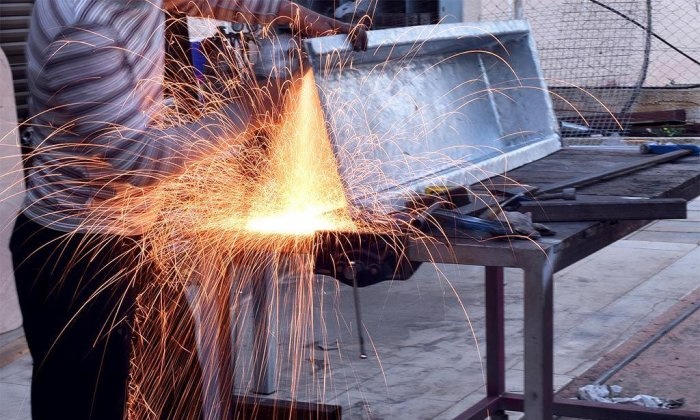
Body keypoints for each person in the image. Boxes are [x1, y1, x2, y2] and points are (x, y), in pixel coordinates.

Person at [11, 1, 368, 419]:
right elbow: (138, 161)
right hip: (75, 256)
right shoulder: (83, 31)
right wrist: (250, 111)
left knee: (176, 395)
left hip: (131, 241)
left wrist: (294, 14)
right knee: (88, 406)